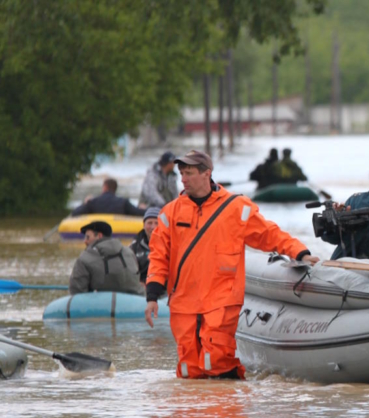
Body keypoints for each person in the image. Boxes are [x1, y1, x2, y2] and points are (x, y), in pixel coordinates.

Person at [144, 150, 319, 380]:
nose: (183, 179)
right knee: (188, 368)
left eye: (189, 173)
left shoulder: (236, 208)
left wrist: (300, 252)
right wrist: (152, 296)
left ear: (207, 174)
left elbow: (269, 234)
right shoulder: (170, 213)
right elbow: (158, 256)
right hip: (183, 302)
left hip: (221, 299)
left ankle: (225, 410)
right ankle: (190, 414)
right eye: (181, 173)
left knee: (217, 359)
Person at [69, 221, 144, 295]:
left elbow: (77, 291)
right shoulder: (129, 252)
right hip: (134, 302)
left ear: (99, 236)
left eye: (87, 237)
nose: (85, 241)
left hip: (101, 304)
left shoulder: (85, 258)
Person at [71, 178, 146, 216]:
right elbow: (139, 213)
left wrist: (85, 202)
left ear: (105, 187)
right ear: (115, 189)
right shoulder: (123, 202)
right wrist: (142, 208)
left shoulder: (93, 202)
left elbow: (75, 213)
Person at [130, 207, 159, 283]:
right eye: (149, 223)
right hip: (141, 289)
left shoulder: (171, 245)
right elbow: (129, 272)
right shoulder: (134, 246)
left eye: (156, 223)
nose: (153, 227)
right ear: (144, 225)